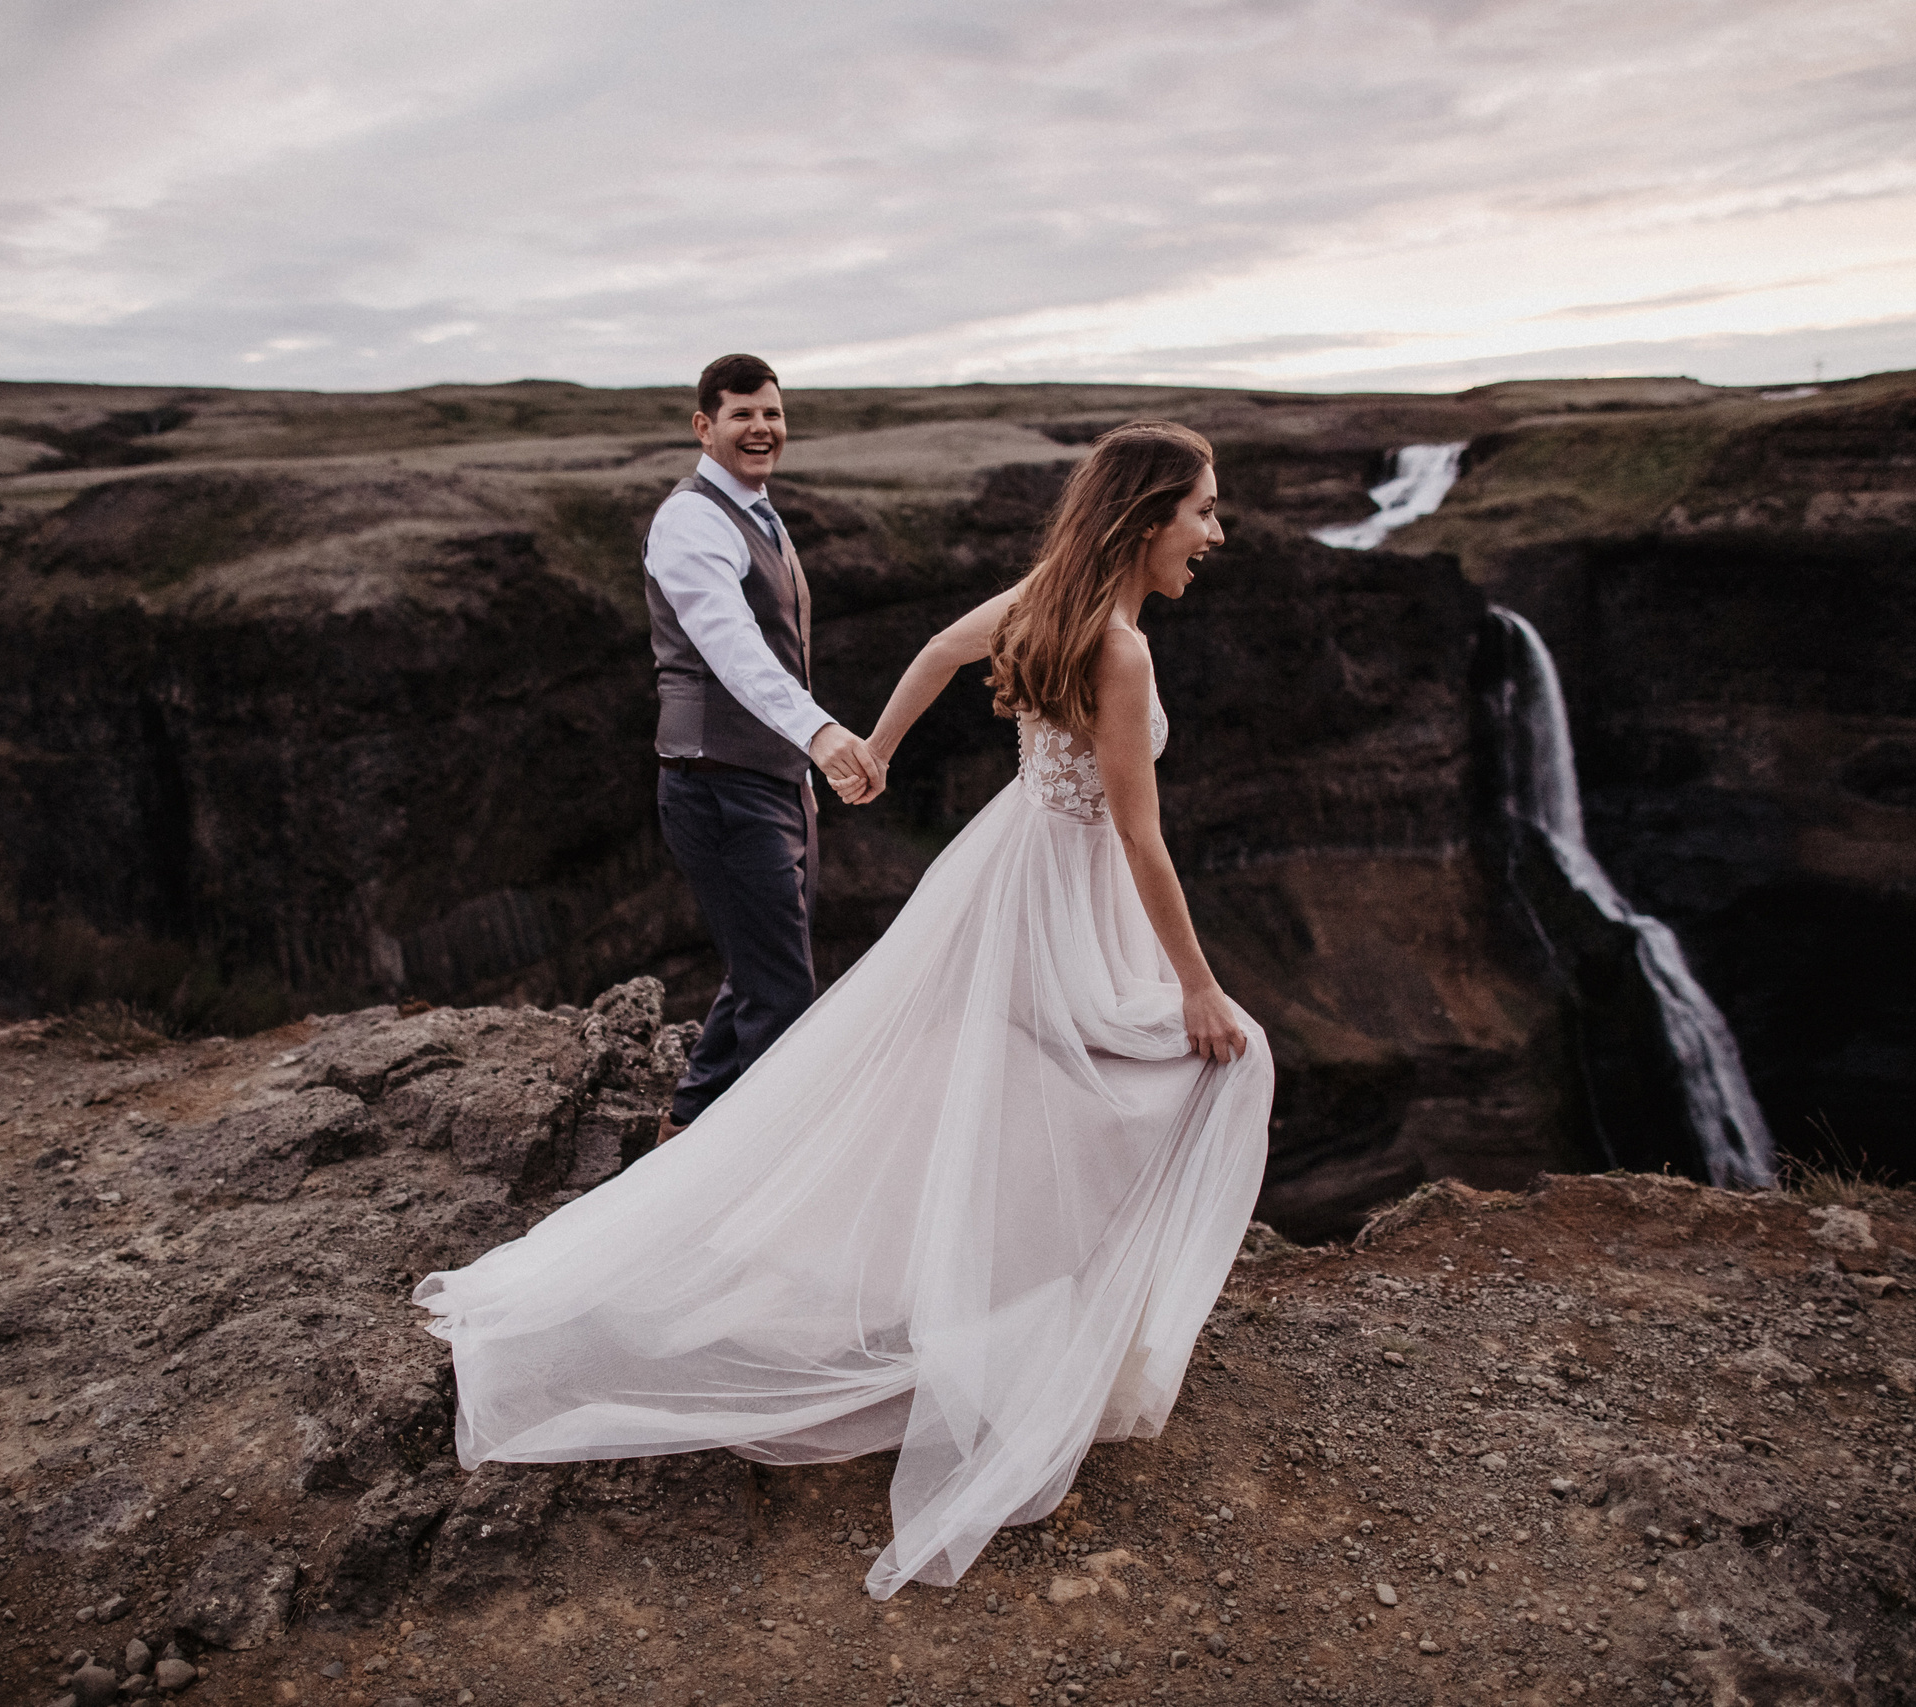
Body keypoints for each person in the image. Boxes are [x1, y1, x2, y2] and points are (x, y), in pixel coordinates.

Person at [414, 421, 1273, 1600]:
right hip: (1063, 893)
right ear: (1145, 518)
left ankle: (1011, 1326)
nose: (1216, 534)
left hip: (1007, 873)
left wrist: (874, 744)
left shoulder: (1048, 598)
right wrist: (1199, 987)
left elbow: (931, 647)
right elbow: (1138, 837)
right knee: (1212, 1066)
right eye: (1205, 511)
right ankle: (1028, 1352)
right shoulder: (1119, 651)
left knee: (1014, 1102)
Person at [641, 353, 887, 1146]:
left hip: (774, 787)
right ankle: (764, 1177)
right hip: (718, 788)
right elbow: (733, 648)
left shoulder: (758, 512)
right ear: (703, 426)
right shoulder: (690, 520)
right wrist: (819, 736)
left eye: (772, 413)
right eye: (743, 414)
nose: (762, 428)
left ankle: (686, 1122)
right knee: (781, 992)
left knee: (761, 969)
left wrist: (800, 778)